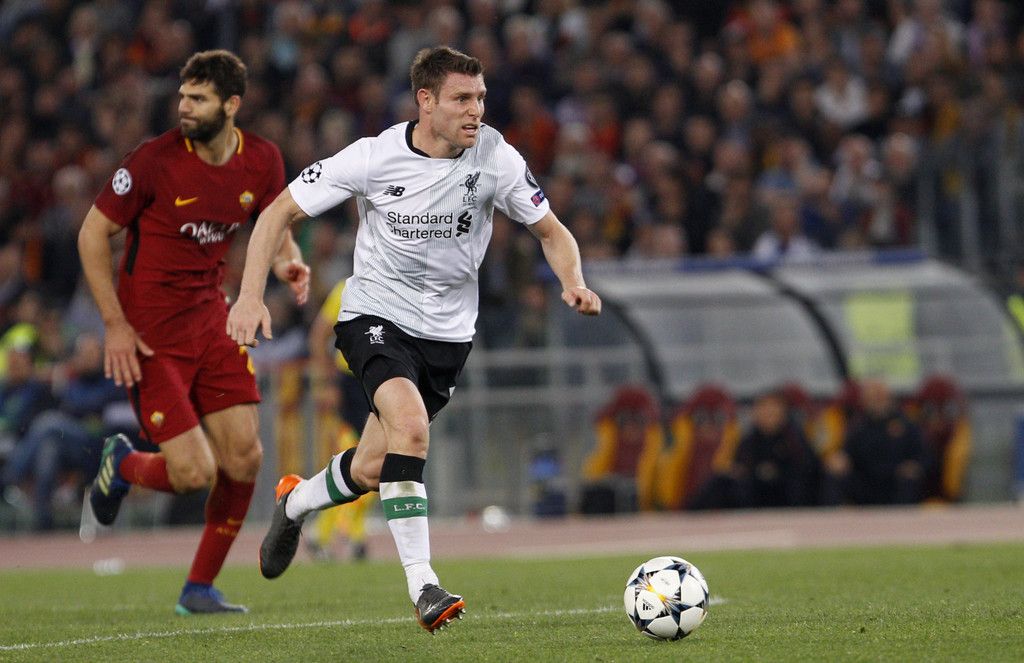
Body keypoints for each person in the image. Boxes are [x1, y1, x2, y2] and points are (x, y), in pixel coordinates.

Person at [226, 46, 601, 631]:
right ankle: (424, 586)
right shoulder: (373, 158)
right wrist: (250, 295)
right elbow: (276, 214)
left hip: (448, 336)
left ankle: (295, 502)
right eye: (461, 99)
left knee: (373, 467)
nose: (476, 110)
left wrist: (573, 281)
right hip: (374, 315)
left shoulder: (496, 157)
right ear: (425, 101)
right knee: (410, 428)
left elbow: (552, 232)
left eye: (480, 98)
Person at [76, 50, 310, 615]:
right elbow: (91, 235)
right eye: (183, 96)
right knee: (193, 473)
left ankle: (198, 588)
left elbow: (273, 223)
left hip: (212, 320)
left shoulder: (261, 159)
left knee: (245, 458)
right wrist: (114, 325)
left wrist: (287, 261)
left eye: (198, 98)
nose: (184, 106)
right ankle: (122, 464)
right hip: (150, 337)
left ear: (231, 105)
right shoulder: (153, 161)